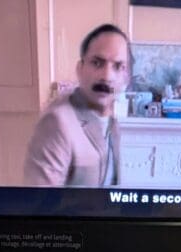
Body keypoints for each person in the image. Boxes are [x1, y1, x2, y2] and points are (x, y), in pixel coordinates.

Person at [24, 24, 130, 187]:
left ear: (125, 77)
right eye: (97, 63)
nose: (107, 76)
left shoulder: (112, 122)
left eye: (117, 66)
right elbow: (41, 204)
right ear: (80, 69)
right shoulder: (57, 122)